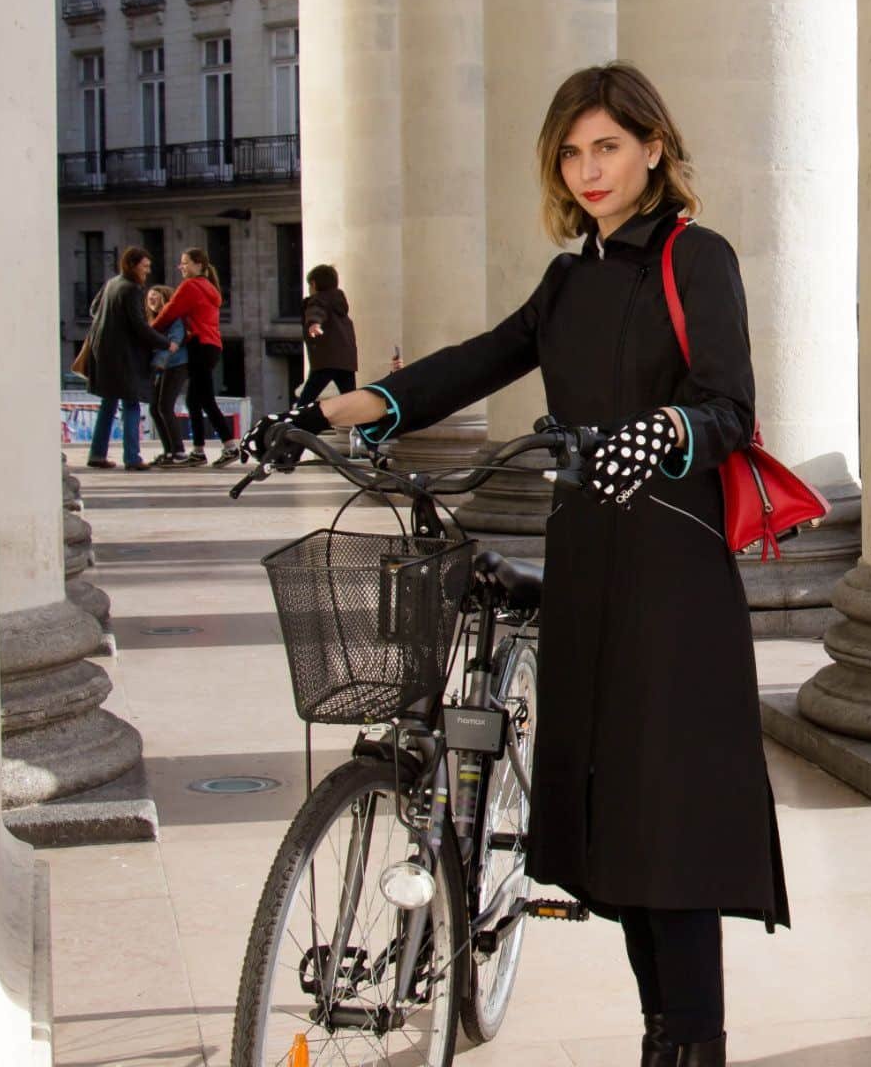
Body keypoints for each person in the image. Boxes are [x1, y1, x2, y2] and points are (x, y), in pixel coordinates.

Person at [243, 62, 789, 1066]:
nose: (589, 169)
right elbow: (482, 357)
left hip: (671, 573)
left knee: (665, 824)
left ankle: (691, 1044)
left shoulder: (693, 256)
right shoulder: (569, 277)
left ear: (653, 149)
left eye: (608, 148)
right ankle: (661, 1033)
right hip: (587, 559)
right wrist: (341, 407)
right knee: (614, 830)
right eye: (573, 152)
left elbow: (728, 406)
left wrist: (655, 432)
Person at [150, 247, 239, 467]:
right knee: (194, 400)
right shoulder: (209, 287)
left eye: (185, 262)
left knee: (205, 399)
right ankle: (199, 451)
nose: (182, 267)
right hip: (211, 345)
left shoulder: (190, 286)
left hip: (200, 345)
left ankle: (230, 447)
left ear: (199, 265)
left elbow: (170, 311)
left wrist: (150, 331)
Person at [86, 247, 174, 471]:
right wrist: (165, 343)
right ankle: (132, 457)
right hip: (124, 356)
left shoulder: (112, 283)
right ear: (133, 265)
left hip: (104, 353)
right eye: (144, 266)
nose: (148, 270)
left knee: (108, 402)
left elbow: (94, 309)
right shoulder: (132, 289)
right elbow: (139, 325)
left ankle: (97, 454)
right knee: (132, 403)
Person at [295, 264, 359, 405]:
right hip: (346, 361)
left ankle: (293, 422)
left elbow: (317, 311)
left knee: (307, 398)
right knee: (352, 400)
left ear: (313, 284)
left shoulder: (318, 299)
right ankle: (365, 425)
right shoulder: (339, 303)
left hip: (326, 359)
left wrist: (313, 323)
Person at [145, 285, 189, 466]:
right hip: (164, 367)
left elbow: (175, 341)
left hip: (177, 365)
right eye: (149, 298)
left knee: (165, 406)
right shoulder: (153, 321)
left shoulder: (172, 318)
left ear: (165, 298)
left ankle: (178, 451)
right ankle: (169, 451)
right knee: (154, 408)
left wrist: (157, 363)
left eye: (155, 297)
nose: (151, 300)